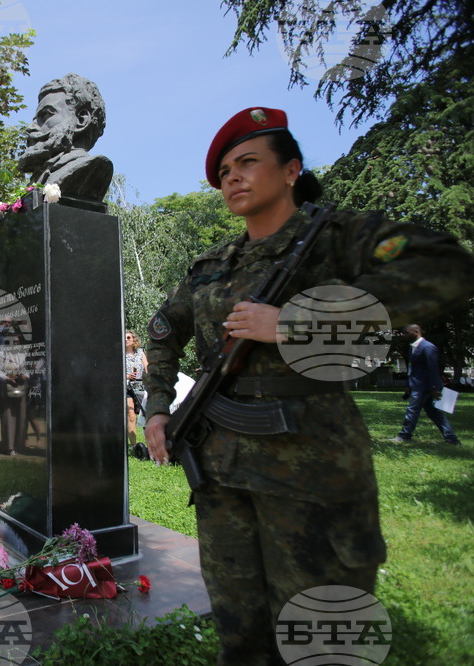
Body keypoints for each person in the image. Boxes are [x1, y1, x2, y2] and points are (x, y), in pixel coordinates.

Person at [143, 107, 474, 664]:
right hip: (222, 476)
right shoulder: (211, 267)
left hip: (313, 472)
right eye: (224, 171)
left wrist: (297, 324)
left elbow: (447, 268)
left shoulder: (336, 237)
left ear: (292, 169)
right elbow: (161, 331)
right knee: (240, 632)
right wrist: (156, 408)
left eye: (248, 162)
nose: (233, 178)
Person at [16, 73, 113, 203]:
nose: (31, 127)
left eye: (45, 116)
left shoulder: (91, 169)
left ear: (81, 120)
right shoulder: (39, 178)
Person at [391, 324, 461, 445]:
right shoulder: (413, 347)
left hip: (425, 386)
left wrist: (434, 388)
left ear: (416, 332)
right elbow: (412, 368)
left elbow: (432, 368)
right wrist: (408, 384)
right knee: (434, 413)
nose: (404, 336)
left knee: (412, 410)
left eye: (406, 333)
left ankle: (405, 435)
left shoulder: (427, 347)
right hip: (417, 385)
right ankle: (451, 439)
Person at [124, 330, 149, 459]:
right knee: (131, 415)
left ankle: (151, 442)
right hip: (126, 387)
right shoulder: (120, 355)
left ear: (134, 339)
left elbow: (147, 367)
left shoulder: (140, 353)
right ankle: (134, 446)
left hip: (140, 386)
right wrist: (127, 376)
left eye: (128, 337)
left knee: (147, 413)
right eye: (124, 338)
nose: (126, 339)